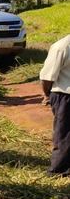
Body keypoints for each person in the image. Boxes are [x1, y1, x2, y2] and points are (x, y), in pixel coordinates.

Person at [40, 34, 70, 177]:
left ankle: (59, 169)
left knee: (63, 132)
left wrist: (46, 94)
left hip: (64, 95)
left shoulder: (61, 47)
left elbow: (47, 77)